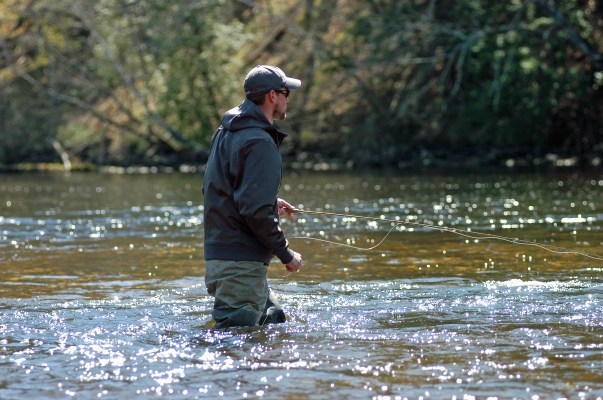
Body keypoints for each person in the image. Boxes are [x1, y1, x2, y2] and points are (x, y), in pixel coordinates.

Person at [202, 65, 303, 329]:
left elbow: (219, 191)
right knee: (233, 350)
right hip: (240, 266)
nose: (287, 99)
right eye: (285, 93)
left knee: (275, 320)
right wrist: (286, 254)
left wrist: (270, 202)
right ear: (272, 96)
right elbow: (253, 210)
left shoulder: (226, 132)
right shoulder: (259, 141)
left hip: (222, 259)